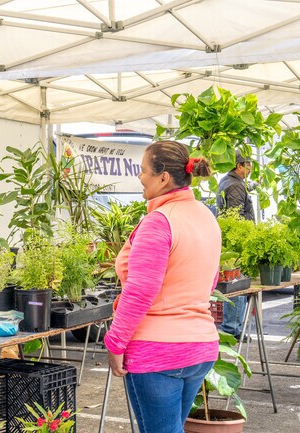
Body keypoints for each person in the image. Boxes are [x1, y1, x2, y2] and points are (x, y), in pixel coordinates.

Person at [104, 141, 221, 433]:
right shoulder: (206, 216)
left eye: (143, 171)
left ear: (163, 178)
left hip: (158, 352)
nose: (140, 177)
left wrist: (115, 341)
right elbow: (211, 279)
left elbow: (141, 290)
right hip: (201, 347)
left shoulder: (159, 221)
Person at [217, 150, 255, 340]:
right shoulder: (235, 186)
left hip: (232, 239)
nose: (251, 168)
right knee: (237, 285)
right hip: (237, 241)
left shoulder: (230, 181)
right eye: (248, 164)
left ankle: (233, 328)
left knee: (235, 284)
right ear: (238, 166)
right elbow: (235, 215)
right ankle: (232, 329)